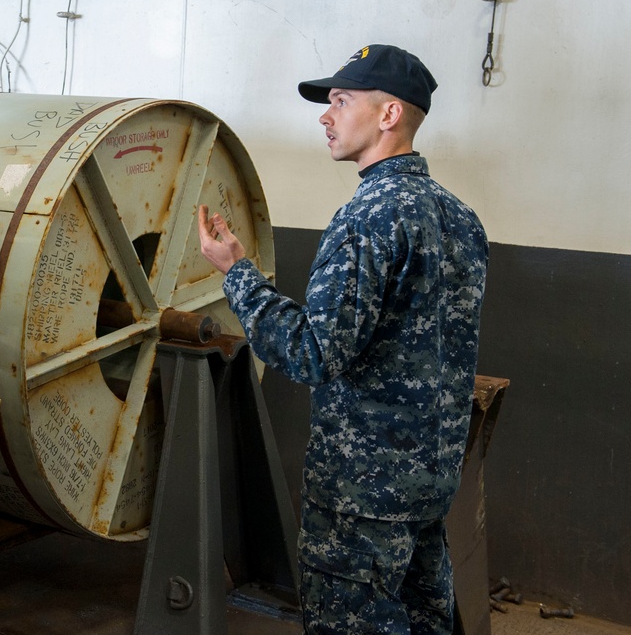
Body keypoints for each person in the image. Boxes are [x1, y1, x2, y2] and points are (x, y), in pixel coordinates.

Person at [198, 44, 488, 635]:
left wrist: (238, 274)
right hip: (427, 486)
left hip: (362, 496)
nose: (325, 116)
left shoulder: (368, 216)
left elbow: (313, 353)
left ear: (389, 116)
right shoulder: (460, 217)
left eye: (340, 101)